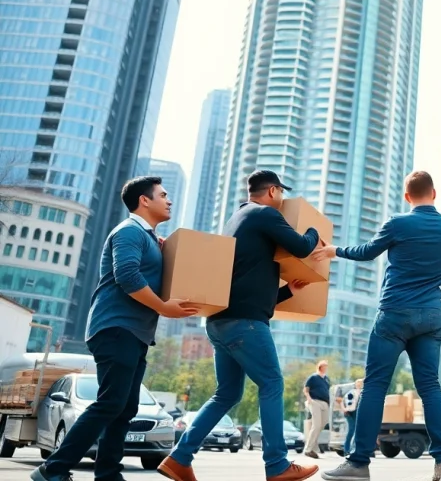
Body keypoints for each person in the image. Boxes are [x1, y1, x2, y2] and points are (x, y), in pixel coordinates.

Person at [31, 177, 199, 481]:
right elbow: (128, 277)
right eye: (163, 195)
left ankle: (107, 474)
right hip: (116, 327)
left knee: (124, 408)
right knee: (111, 403)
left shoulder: (146, 237)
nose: (169, 200)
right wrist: (164, 307)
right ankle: (52, 469)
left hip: (134, 333)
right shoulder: (128, 232)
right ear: (144, 201)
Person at [159, 170, 321, 481]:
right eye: (281, 193)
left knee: (227, 394)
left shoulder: (237, 220)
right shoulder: (264, 214)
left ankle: (179, 458)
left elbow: (245, 285)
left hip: (221, 321)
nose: (282, 199)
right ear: (272, 191)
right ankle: (277, 464)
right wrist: (314, 231)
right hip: (245, 324)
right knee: (272, 383)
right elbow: (302, 247)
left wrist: (289, 291)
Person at [313, 171, 441, 481]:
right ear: (433, 193)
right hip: (431, 318)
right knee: (431, 388)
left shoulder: (397, 223)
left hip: (394, 314)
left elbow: (367, 252)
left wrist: (333, 250)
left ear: (408, 197)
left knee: (376, 386)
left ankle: (358, 463)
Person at [304, 360, 332, 458]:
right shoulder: (313, 377)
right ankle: (308, 449)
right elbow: (306, 389)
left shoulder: (326, 379)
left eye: (326, 366)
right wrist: (309, 399)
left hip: (325, 403)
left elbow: (329, 391)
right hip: (315, 401)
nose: (325, 368)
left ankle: (313, 446)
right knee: (316, 425)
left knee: (323, 423)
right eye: (324, 366)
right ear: (320, 367)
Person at [341, 379, 362, 456]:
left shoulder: (364, 392)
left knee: (358, 431)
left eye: (361, 383)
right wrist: (344, 409)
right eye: (358, 383)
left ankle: (354, 449)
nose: (360, 384)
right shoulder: (351, 392)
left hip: (358, 412)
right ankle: (346, 450)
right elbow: (343, 401)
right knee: (351, 430)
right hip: (350, 412)